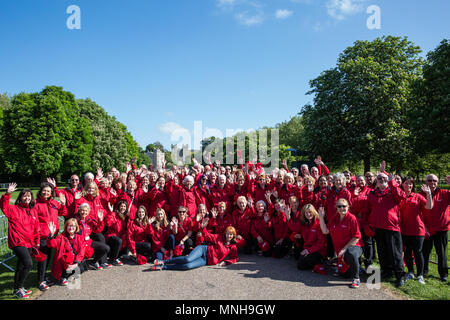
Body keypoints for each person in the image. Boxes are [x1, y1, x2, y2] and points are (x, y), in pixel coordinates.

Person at [356, 172, 407, 287]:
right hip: (378, 227)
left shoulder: (392, 192)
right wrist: (367, 224)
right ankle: (386, 271)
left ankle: (399, 275)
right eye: (379, 178)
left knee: (395, 253)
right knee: (382, 252)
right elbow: (367, 210)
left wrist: (391, 181)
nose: (382, 180)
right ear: (376, 181)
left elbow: (401, 196)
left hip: (392, 227)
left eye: (384, 178)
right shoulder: (372, 194)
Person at [1, 183, 40, 299]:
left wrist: (37, 242)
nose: (27, 198)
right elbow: (3, 206)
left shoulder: (33, 211)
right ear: (20, 198)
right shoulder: (13, 210)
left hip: (29, 243)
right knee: (28, 264)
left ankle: (17, 288)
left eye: (29, 196)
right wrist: (7, 194)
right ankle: (18, 288)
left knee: (21, 266)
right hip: (17, 242)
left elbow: (36, 228)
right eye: (25, 196)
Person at [318, 199, 363, 289]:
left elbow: (356, 237)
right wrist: (321, 218)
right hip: (341, 252)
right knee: (345, 275)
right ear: (336, 208)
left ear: (348, 207)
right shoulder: (334, 218)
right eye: (339, 206)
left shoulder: (352, 218)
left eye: (344, 206)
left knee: (350, 253)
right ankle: (357, 267)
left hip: (355, 247)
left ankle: (356, 278)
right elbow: (325, 231)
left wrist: (344, 249)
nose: (342, 208)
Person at [152, 225, 238, 271]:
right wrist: (203, 227)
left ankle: (164, 267)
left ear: (233, 236)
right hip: (204, 250)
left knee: (187, 266)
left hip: (206, 261)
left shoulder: (232, 247)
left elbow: (234, 258)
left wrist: (225, 262)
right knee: (187, 259)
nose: (229, 236)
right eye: (228, 233)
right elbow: (207, 236)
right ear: (225, 234)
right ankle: (164, 261)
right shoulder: (219, 237)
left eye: (231, 234)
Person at [34, 181, 67, 291]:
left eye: (48, 191)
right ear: (40, 191)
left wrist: (62, 204)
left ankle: (45, 277)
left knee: (50, 257)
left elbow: (63, 213)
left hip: (53, 235)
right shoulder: (35, 204)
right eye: (44, 190)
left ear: (51, 192)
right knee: (43, 259)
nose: (46, 193)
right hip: (42, 236)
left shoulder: (54, 203)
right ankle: (40, 281)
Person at [399, 177, 433, 284]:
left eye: (410, 184)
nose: (408, 185)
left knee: (418, 252)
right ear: (402, 185)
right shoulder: (400, 197)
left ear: (413, 186)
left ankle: (420, 275)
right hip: (405, 229)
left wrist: (429, 194)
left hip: (418, 230)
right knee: (408, 253)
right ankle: (410, 272)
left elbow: (429, 206)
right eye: (406, 183)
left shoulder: (417, 196)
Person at [421, 174, 450, 282]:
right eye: (429, 180)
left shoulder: (445, 193)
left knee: (441, 253)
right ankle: (423, 272)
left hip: (441, 229)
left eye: (434, 180)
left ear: (438, 182)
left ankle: (443, 275)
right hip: (426, 230)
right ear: (426, 181)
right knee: (425, 252)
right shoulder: (420, 194)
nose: (432, 182)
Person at [46, 219, 87, 286]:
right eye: (69, 226)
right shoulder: (61, 237)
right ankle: (62, 277)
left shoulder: (79, 237)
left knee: (82, 268)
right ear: (66, 227)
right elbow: (52, 244)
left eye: (73, 226)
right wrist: (51, 235)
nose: (71, 228)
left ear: (76, 227)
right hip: (64, 262)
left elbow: (81, 251)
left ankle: (65, 277)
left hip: (73, 261)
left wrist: (76, 263)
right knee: (69, 261)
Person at [288, 204, 327, 271]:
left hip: (318, 251)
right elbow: (293, 227)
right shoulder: (304, 223)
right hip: (307, 248)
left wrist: (308, 251)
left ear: (314, 212)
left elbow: (321, 243)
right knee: (300, 264)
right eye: (306, 212)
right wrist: (288, 215)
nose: (308, 214)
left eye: (310, 212)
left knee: (304, 262)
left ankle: (319, 263)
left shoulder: (319, 224)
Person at [75, 203, 111, 270]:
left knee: (106, 248)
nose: (84, 212)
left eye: (86, 211)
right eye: (82, 210)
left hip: (88, 242)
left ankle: (93, 262)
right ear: (79, 211)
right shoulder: (75, 220)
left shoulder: (90, 220)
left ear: (88, 212)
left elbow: (97, 230)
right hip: (79, 244)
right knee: (81, 269)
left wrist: (100, 221)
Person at [104, 200, 128, 266]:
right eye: (121, 206)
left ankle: (116, 256)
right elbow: (108, 223)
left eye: (124, 206)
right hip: (111, 237)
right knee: (119, 240)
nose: (123, 208)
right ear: (118, 207)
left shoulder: (125, 217)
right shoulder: (114, 214)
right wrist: (111, 212)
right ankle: (112, 259)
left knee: (123, 239)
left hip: (119, 238)